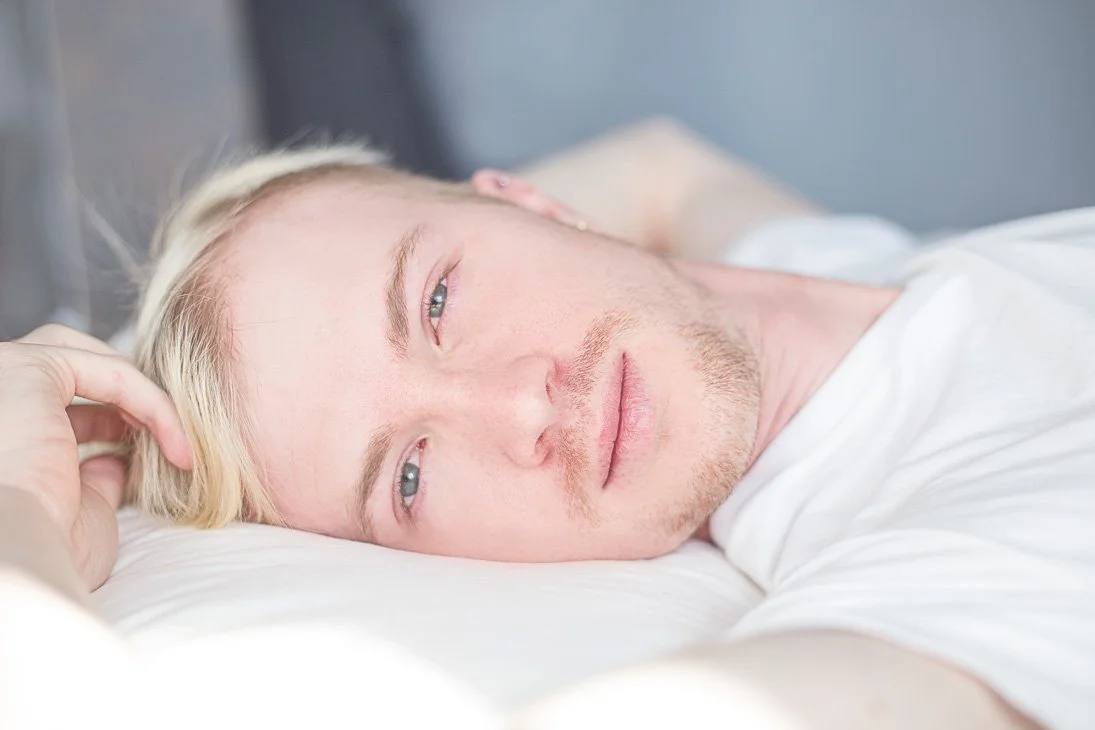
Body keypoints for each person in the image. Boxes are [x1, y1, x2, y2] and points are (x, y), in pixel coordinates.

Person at [3, 119, 1091, 729]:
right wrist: (17, 507)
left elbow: (659, 165)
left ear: (525, 200)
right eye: (411, 476)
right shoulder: (948, 569)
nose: (519, 405)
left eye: (437, 300)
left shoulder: (826, 269)